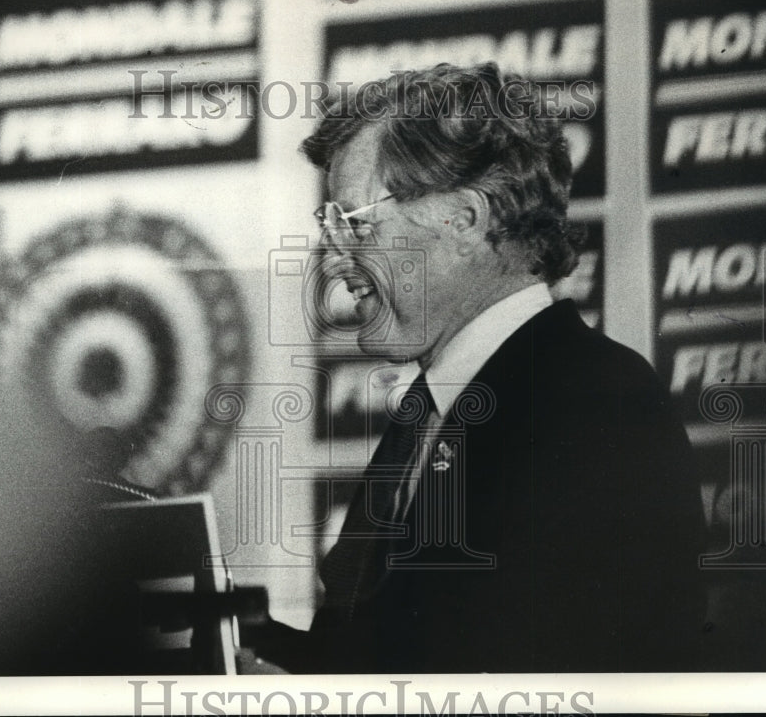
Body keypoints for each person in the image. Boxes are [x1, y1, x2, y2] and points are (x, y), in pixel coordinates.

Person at [249, 62, 707, 673]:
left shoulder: (596, 402)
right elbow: (373, 658)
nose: (334, 258)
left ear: (464, 220)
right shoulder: (431, 413)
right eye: (330, 226)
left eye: (354, 223)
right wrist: (236, 649)